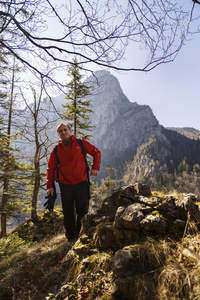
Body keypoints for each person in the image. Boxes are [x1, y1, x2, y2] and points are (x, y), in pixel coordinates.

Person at [46, 123, 101, 241]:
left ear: (70, 131)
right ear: (58, 135)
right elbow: (51, 168)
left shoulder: (81, 143)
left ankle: (81, 235)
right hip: (65, 185)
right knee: (68, 213)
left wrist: (95, 167)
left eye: (65, 129)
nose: (63, 132)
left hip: (82, 183)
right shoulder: (56, 150)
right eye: (60, 131)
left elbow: (96, 152)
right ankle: (71, 237)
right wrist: (50, 186)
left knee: (82, 210)